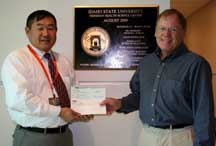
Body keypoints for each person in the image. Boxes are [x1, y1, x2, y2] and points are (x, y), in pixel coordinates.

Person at [101, 9, 215, 146]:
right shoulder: (146, 62)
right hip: (147, 136)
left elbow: (204, 113)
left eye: (173, 29)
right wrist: (119, 104)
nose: (166, 34)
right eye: (162, 28)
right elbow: (140, 96)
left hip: (179, 138)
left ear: (183, 33)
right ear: (155, 32)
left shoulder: (196, 64)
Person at [1, 10, 93, 146]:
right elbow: (19, 99)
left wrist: (82, 110)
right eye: (40, 28)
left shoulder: (63, 61)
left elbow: (73, 94)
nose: (46, 33)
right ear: (27, 31)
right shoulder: (17, 59)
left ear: (56, 31)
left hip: (64, 136)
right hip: (34, 137)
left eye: (51, 28)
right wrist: (60, 112)